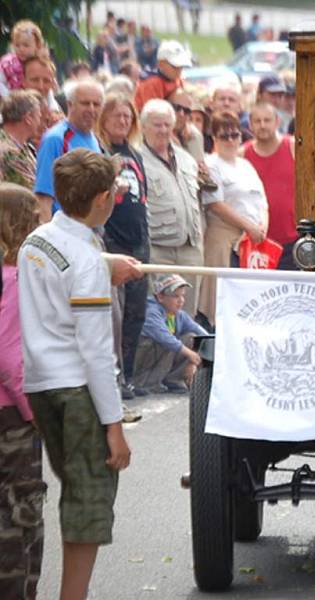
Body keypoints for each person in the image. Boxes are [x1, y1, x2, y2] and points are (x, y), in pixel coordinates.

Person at [17, 149, 137, 600]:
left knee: (73, 491)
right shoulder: (86, 260)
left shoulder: (37, 239)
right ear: (104, 198)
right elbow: (96, 351)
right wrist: (115, 426)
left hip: (41, 381)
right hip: (76, 388)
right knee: (87, 501)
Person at [0, 183, 46, 600]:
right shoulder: (15, 281)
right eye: (33, 218)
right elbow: (11, 358)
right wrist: (36, 414)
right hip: (12, 418)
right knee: (20, 519)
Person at [95, 94, 150, 399]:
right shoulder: (100, 152)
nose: (123, 121)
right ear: (104, 118)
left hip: (138, 238)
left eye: (128, 116)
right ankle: (114, 378)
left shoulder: (136, 154)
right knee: (115, 312)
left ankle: (129, 374)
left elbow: (143, 199)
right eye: (116, 115)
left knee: (136, 313)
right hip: (112, 237)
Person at [198, 111, 268, 326]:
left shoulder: (246, 165)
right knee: (219, 302)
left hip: (252, 243)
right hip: (223, 239)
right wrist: (248, 226)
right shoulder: (210, 164)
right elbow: (215, 204)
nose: (230, 140)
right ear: (214, 139)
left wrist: (262, 227)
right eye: (224, 136)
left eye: (234, 135)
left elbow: (263, 201)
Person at [140, 99, 204, 317]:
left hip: (191, 248)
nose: (163, 130)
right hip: (159, 250)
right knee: (160, 316)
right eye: (157, 125)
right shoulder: (137, 159)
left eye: (167, 125)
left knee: (187, 316)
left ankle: (187, 351)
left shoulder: (187, 159)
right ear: (143, 127)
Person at [34, 79, 104, 220]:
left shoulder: (94, 139)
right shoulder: (55, 139)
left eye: (96, 104)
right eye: (85, 103)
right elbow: (43, 196)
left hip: (89, 230)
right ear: (70, 105)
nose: (91, 109)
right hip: (64, 229)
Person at [132, 274, 208, 394]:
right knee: (166, 343)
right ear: (160, 297)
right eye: (175, 296)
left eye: (182, 295)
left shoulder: (178, 314)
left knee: (192, 338)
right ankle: (144, 383)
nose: (181, 300)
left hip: (158, 357)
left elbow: (201, 333)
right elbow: (166, 339)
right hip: (140, 361)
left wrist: (194, 360)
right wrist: (191, 355)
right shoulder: (151, 312)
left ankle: (172, 379)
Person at [243, 102, 296, 268]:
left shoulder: (293, 147)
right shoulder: (242, 154)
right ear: (250, 125)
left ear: (277, 122)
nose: (263, 125)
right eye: (257, 121)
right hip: (256, 242)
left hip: (292, 239)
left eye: (267, 120)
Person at [0, 89, 42, 189]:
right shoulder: (10, 152)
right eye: (39, 117)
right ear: (28, 118)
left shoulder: (22, 146)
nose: (40, 123)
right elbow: (33, 189)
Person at [134, 40, 191, 112]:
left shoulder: (176, 78)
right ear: (161, 64)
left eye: (181, 66)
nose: (179, 70)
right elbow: (153, 113)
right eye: (175, 66)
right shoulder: (151, 83)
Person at [0, 20, 44, 97]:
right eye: (17, 45)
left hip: (34, 102)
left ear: (38, 46)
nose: (21, 49)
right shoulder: (8, 63)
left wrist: (52, 105)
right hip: (11, 102)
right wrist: (8, 96)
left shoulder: (40, 64)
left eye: (26, 45)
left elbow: (48, 87)